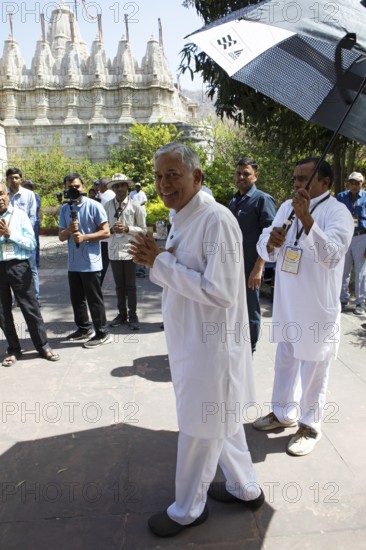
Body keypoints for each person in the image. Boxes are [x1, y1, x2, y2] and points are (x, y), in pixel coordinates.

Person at [129, 143, 263, 538]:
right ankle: (246, 488)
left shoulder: (215, 219)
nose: (164, 184)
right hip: (191, 342)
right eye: (158, 176)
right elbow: (183, 269)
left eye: (173, 175)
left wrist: (161, 262)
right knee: (221, 421)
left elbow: (220, 291)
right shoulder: (182, 214)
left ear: (196, 177)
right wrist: (157, 258)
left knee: (199, 426)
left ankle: (187, 509)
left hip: (211, 348)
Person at [253, 157, 354, 456]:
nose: (297, 184)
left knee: (314, 366)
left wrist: (307, 219)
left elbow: (332, 257)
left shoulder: (338, 213)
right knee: (285, 360)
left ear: (324, 182)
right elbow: (266, 248)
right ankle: (283, 412)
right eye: (295, 178)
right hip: (287, 302)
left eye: (304, 179)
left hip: (315, 307)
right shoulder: (286, 207)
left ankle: (310, 425)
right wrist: (270, 242)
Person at [0, 182, 59, 366]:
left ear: (7, 194)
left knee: (30, 308)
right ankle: (14, 349)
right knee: (2, 312)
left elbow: (31, 244)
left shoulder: (19, 215)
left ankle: (43, 346)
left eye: (1, 193)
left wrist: (10, 235)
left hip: (19, 266)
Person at [229, 158, 276, 353]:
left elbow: (271, 237)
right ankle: (237, 344)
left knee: (250, 308)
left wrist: (259, 267)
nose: (241, 177)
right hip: (233, 265)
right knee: (234, 307)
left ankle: (251, 348)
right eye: (238, 173)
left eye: (246, 173)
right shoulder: (234, 200)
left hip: (251, 266)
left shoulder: (263, 200)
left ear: (255, 176)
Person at [58, 173, 112, 348]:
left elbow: (106, 232)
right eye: (70, 187)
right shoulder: (65, 209)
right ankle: (84, 328)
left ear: (83, 186)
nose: (74, 189)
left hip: (91, 262)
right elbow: (61, 236)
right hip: (73, 262)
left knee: (94, 299)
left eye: (77, 186)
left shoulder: (95, 206)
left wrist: (85, 237)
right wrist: (69, 229)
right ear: (65, 189)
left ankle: (102, 332)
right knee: (77, 298)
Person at [104, 174, 146, 330]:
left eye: (122, 185)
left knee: (131, 286)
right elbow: (102, 230)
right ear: (113, 188)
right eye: (116, 186)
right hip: (114, 251)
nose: (120, 188)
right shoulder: (107, 206)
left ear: (127, 187)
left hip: (130, 250)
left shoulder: (136, 206)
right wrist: (110, 229)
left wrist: (128, 228)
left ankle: (133, 315)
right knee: (119, 286)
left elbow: (143, 230)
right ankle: (122, 314)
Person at [6, 168, 40, 303]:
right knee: (10, 269)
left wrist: (23, 235)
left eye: (16, 177)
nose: (13, 180)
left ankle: (35, 297)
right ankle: (17, 299)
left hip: (25, 239)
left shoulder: (29, 194)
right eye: (10, 178)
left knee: (31, 267)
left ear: (20, 179)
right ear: (7, 179)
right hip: (7, 239)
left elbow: (33, 217)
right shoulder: (5, 195)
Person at [337, 171, 366, 315]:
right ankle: (342, 299)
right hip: (345, 236)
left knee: (361, 271)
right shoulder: (341, 197)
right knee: (343, 269)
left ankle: (360, 302)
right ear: (348, 183)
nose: (354, 185)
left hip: (362, 237)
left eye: (357, 183)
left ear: (362, 184)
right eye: (351, 182)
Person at [98, 176, 116, 285]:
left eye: (99, 185)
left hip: (106, 234)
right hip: (116, 234)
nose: (98, 188)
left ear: (103, 185)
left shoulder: (104, 197)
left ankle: (97, 286)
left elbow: (100, 216)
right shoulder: (114, 195)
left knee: (103, 263)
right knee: (117, 264)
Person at [23, 180, 41, 268]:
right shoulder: (21, 195)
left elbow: (36, 207)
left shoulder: (35, 196)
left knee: (35, 241)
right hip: (23, 222)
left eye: (29, 186)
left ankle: (36, 262)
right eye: (25, 186)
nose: (27, 188)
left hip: (35, 222)